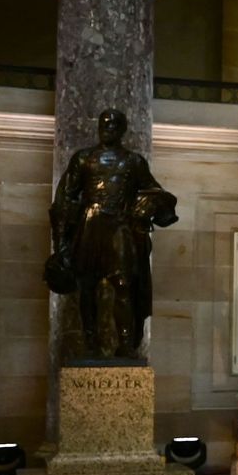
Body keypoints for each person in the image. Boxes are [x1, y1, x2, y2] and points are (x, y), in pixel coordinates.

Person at [47, 108, 177, 359]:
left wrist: (153, 207)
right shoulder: (83, 159)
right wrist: (61, 244)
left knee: (124, 285)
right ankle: (91, 344)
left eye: (113, 125)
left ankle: (126, 344)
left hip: (121, 227)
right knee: (87, 287)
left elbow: (154, 191)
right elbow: (65, 199)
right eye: (104, 124)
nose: (107, 128)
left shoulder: (133, 162)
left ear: (121, 129)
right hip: (90, 225)